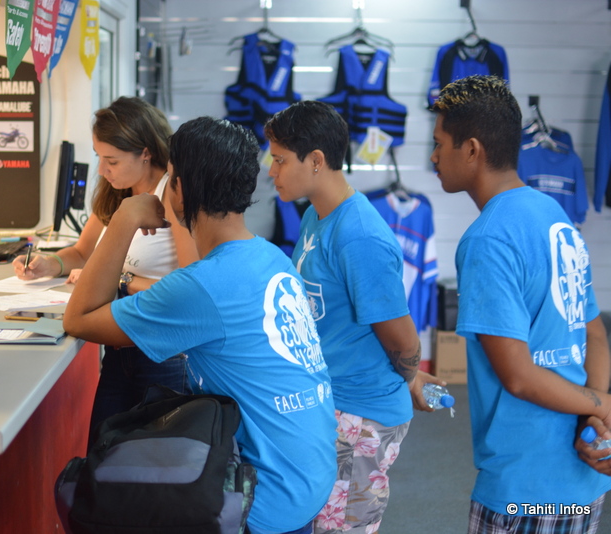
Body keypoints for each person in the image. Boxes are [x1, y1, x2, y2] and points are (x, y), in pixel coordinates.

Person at [63, 116, 337, 534]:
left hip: (263, 499)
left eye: (169, 177)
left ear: (180, 188)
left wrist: (123, 218)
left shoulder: (201, 286)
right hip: (310, 477)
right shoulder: (270, 257)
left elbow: (78, 318)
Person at [430, 74, 611, 534]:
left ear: (472, 150)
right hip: (583, 481)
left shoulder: (488, 239)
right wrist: (596, 408)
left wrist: (602, 407)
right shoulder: (555, 215)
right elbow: (594, 332)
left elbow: (519, 376)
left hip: (523, 492)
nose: (433, 157)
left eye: (440, 144)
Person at [264, 100, 428, 534]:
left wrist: (409, 375)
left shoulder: (360, 236)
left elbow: (403, 340)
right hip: (334, 402)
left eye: (280, 160)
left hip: (362, 413)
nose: (271, 171)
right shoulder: (316, 216)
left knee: (341, 529)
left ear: (316, 161)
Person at [13, 96, 198, 446]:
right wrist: (48, 264)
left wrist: (120, 281)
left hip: (164, 354)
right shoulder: (116, 193)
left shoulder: (172, 195)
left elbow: (190, 287)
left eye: (111, 160)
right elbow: (84, 252)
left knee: (155, 472)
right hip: (117, 346)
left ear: (145, 152)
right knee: (102, 458)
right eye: (99, 158)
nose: (102, 170)